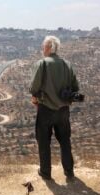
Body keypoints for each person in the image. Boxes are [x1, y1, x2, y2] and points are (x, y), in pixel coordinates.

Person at [29, 36, 79, 180]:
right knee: (65, 140)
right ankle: (69, 172)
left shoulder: (42, 64)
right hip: (63, 110)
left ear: (49, 48)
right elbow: (75, 88)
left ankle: (45, 172)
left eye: (44, 46)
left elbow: (33, 87)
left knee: (44, 141)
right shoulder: (67, 64)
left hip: (45, 109)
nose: (42, 49)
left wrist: (36, 97)